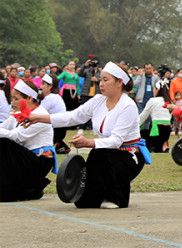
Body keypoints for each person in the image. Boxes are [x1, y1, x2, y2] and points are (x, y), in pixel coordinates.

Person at [28, 61, 150, 209]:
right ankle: (95, 196)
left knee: (100, 155)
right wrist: (38, 118)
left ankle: (118, 198)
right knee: (95, 164)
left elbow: (116, 141)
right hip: (105, 152)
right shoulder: (98, 101)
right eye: (101, 80)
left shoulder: (128, 106)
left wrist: (88, 142)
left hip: (129, 156)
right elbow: (72, 117)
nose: (101, 84)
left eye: (106, 80)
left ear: (119, 82)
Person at [0, 79, 56, 201]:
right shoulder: (18, 113)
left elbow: (16, 136)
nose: (13, 102)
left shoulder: (40, 115)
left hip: (38, 160)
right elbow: (3, 128)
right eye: (12, 98)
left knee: (5, 143)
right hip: (24, 157)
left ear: (29, 98)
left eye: (16, 99)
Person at [137, 81, 173, 153]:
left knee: (143, 134)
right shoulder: (169, 101)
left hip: (156, 130)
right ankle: (163, 146)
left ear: (157, 90)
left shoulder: (153, 100)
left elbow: (144, 115)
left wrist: (135, 125)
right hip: (167, 131)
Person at [38, 74, 69, 153]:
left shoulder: (50, 97)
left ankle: (57, 145)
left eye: (43, 84)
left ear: (50, 86)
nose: (40, 87)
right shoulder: (54, 96)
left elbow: (39, 112)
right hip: (60, 129)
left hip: (57, 130)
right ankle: (60, 146)